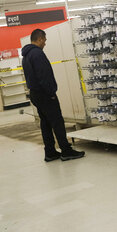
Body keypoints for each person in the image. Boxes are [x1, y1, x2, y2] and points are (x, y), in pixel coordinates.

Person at [22, 29, 85, 162]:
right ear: (39, 39)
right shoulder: (37, 54)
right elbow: (44, 75)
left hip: (35, 94)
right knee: (57, 122)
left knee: (45, 123)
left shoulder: (26, 56)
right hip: (45, 94)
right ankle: (66, 151)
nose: (45, 43)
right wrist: (51, 92)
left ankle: (50, 152)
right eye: (44, 40)